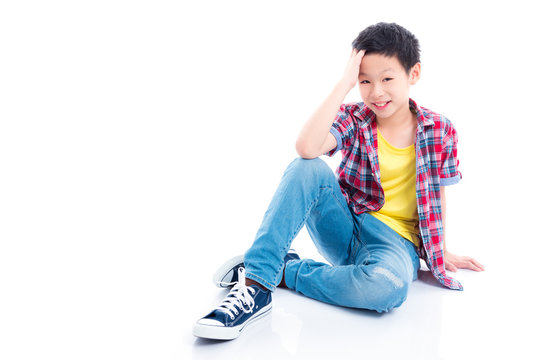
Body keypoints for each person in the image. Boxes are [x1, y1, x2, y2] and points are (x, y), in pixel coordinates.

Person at [192, 22, 485, 341]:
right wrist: (344, 83)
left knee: (387, 289)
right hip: (346, 224)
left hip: (396, 243)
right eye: (365, 81)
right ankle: (258, 282)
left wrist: (438, 250)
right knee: (308, 167)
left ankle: (285, 271)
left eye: (387, 79)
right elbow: (306, 148)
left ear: (413, 74)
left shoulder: (440, 130)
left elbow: (438, 194)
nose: (376, 92)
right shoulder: (356, 118)